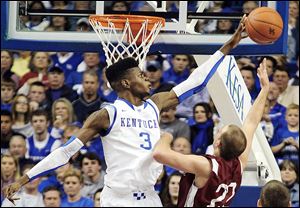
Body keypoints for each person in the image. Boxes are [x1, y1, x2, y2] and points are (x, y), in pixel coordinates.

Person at [3, 15, 248, 207]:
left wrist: (230, 44)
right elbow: (66, 152)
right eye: (141, 75)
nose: (149, 79)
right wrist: (25, 179)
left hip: (150, 197)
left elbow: (197, 82)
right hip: (118, 199)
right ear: (127, 83)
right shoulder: (107, 115)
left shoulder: (156, 104)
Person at [153, 57, 269, 206]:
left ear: (218, 142)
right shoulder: (239, 165)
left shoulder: (205, 165)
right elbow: (251, 122)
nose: (218, 131)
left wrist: (166, 137)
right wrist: (264, 89)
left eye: (220, 131)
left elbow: (159, 154)